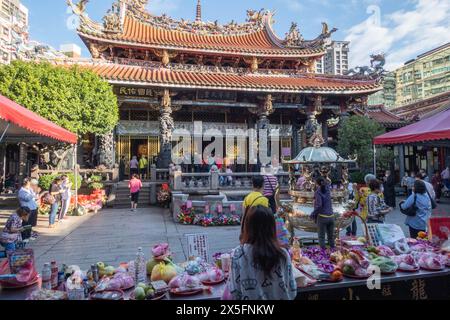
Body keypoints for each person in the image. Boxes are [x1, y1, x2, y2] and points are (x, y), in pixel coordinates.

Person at [226, 206, 297, 300]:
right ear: (272, 227)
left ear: (247, 227)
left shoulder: (238, 254)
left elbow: (235, 292)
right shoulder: (283, 254)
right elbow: (292, 291)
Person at [311, 177, 335, 250]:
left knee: (321, 236)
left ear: (317, 184)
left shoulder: (318, 192)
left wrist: (313, 214)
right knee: (331, 236)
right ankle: (334, 252)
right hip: (331, 216)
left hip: (322, 217)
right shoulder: (328, 189)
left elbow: (319, 205)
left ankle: (323, 253)